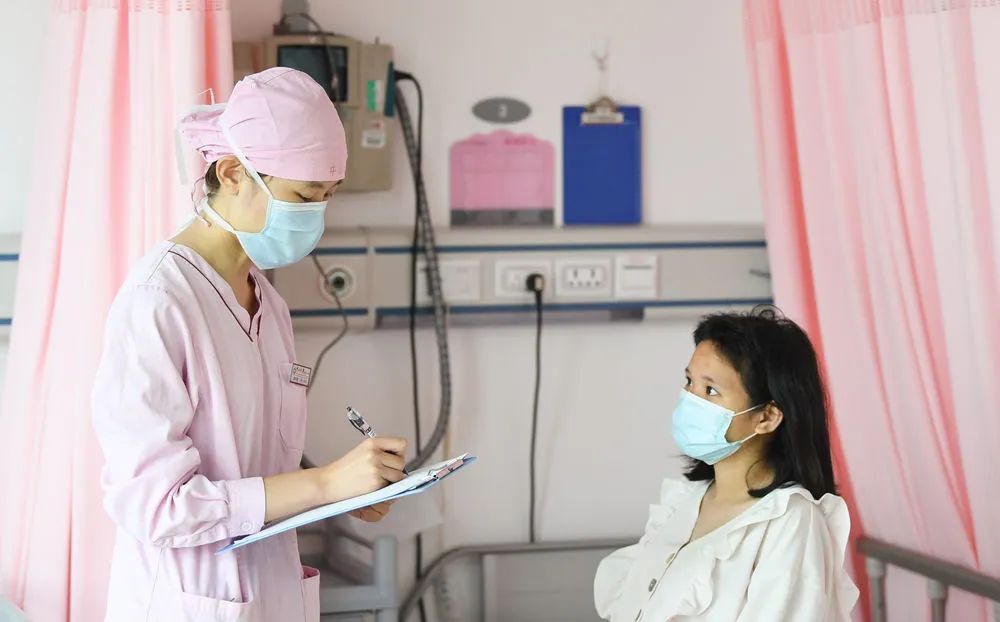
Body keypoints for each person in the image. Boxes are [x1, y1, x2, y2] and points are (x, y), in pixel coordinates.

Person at [91, 68, 407, 621]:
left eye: (327, 197)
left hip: (268, 591)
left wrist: (344, 491)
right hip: (188, 599)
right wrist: (323, 483)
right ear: (233, 173)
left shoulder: (267, 304)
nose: (315, 215)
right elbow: (155, 507)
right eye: (303, 196)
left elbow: (256, 467)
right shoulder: (157, 302)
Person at [594, 308, 859, 621]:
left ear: (767, 416)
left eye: (711, 390)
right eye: (689, 382)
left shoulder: (790, 522)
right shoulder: (684, 500)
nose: (690, 399)